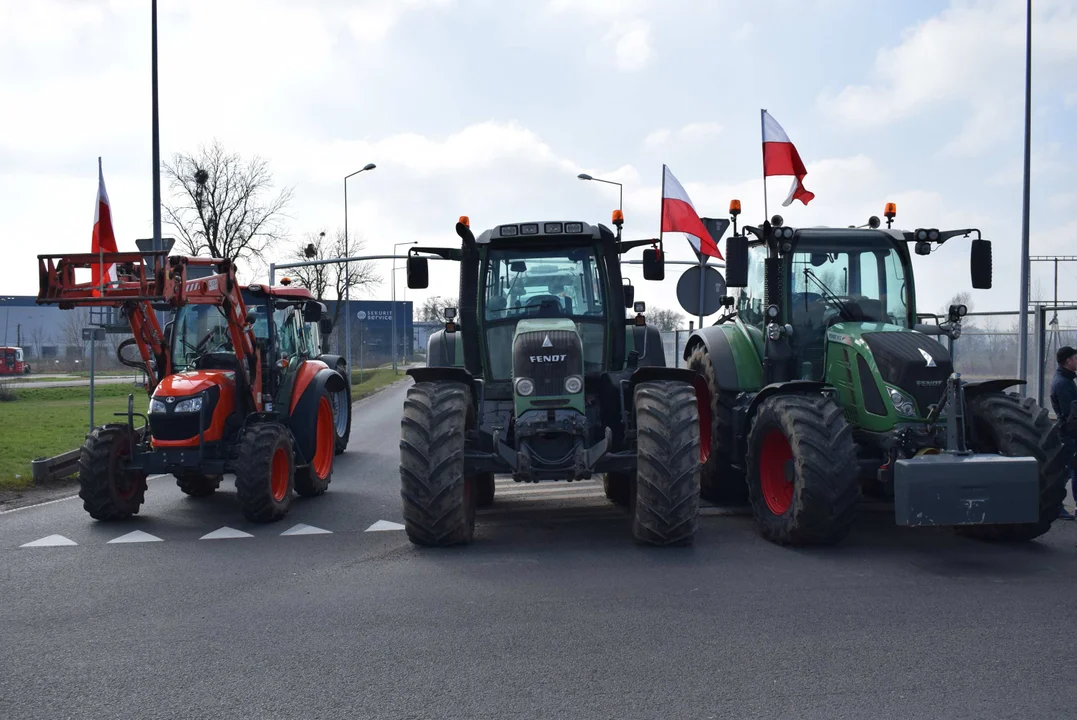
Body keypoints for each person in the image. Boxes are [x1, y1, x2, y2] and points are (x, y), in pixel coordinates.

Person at [1050, 345, 1077, 520]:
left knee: (1071, 470)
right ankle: (1055, 506)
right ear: (1068, 361)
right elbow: (1070, 414)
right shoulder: (1063, 383)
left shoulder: (1065, 379)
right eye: (1076, 358)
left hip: (1069, 432)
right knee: (1067, 470)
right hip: (1069, 434)